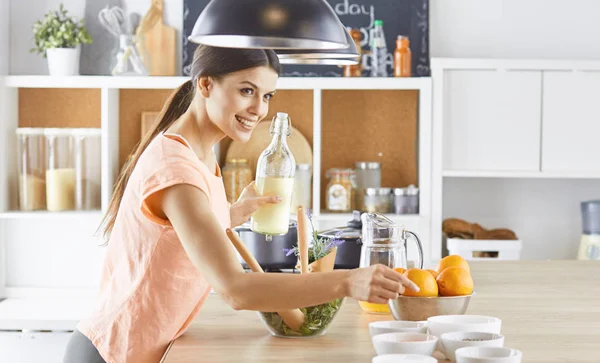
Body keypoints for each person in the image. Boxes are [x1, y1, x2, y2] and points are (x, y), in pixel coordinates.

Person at [63, 45, 419, 363]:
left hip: (146, 349)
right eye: (247, 91)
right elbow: (235, 289)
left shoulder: (200, 155)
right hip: (111, 352)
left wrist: (232, 212)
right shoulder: (176, 168)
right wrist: (347, 281)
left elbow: (174, 235)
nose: (259, 109)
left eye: (267, 96)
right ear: (205, 84)